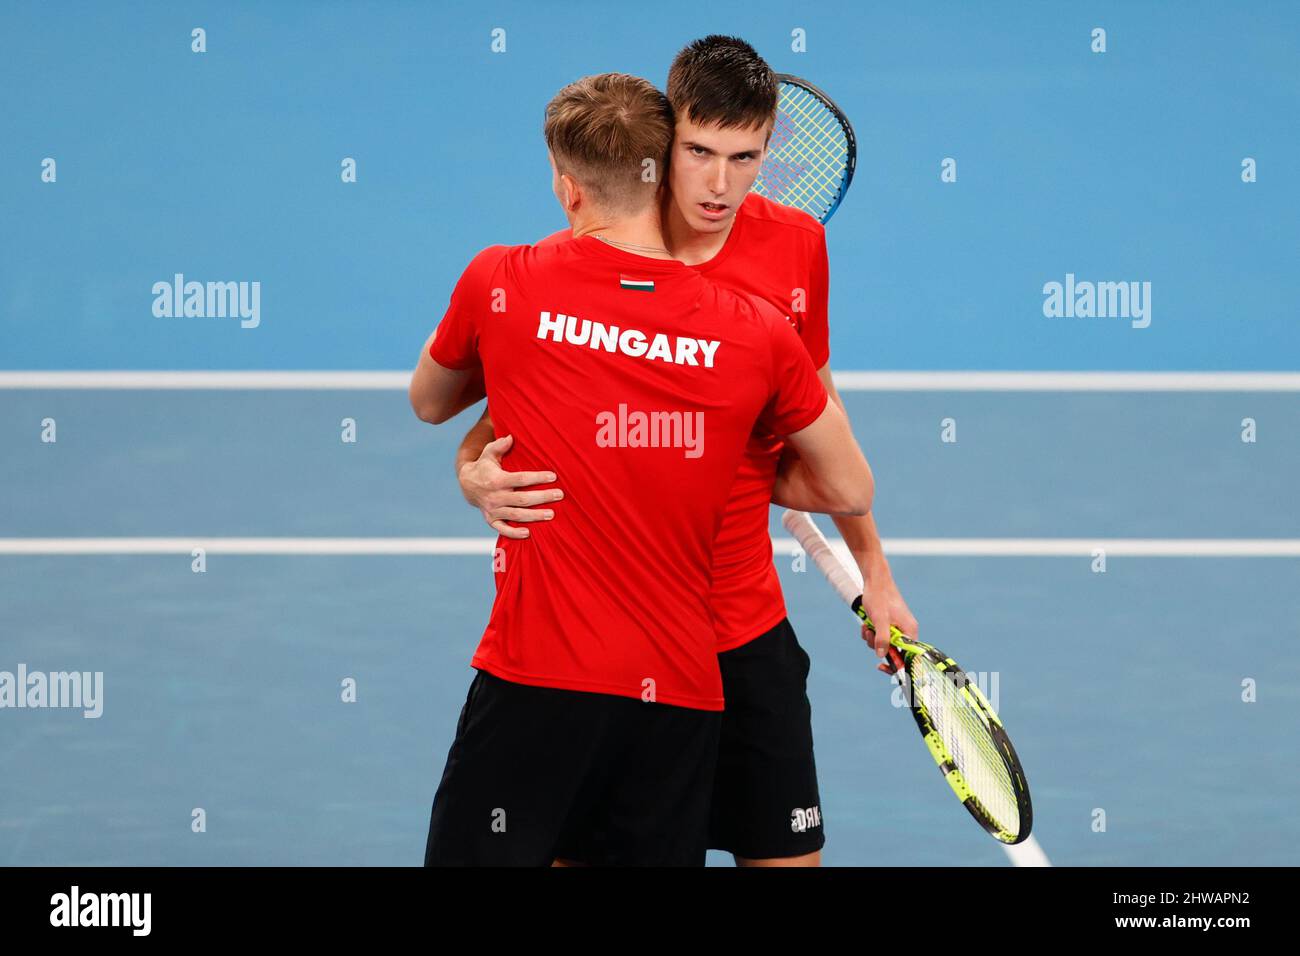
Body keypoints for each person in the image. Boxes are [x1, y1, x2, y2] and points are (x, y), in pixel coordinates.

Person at [454, 36, 919, 867]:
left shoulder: (795, 248)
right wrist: (471, 468)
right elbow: (515, 406)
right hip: (608, 639)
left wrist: (876, 572)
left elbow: (823, 410)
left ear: (769, 147)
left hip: (740, 624)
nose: (719, 183)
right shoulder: (600, 243)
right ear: (664, 141)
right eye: (699, 153)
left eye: (744, 158)